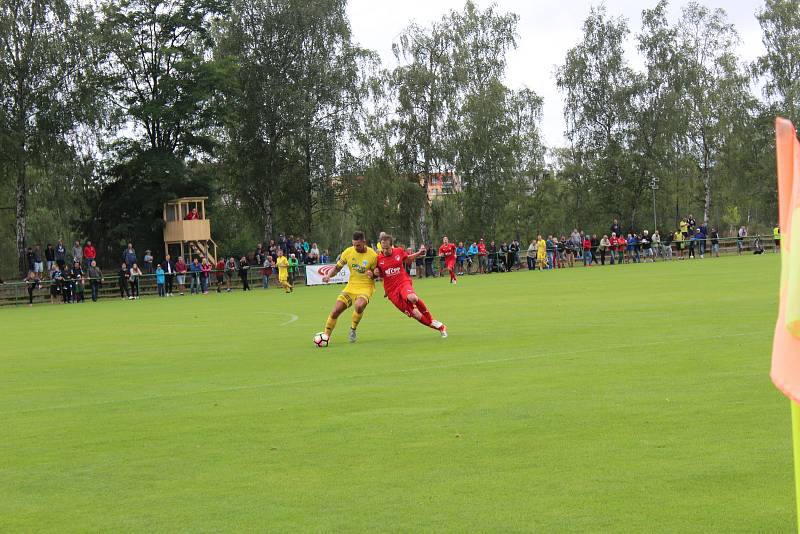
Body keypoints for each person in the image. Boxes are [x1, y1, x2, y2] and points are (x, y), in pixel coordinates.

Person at [374, 234, 447, 337]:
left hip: (403, 282)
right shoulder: (378, 258)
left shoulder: (398, 251)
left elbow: (407, 259)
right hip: (391, 291)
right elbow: (376, 274)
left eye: (387, 248)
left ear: (392, 246)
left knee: (412, 297)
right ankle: (440, 327)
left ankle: (431, 319)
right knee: (416, 314)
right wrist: (374, 273)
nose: (384, 251)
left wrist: (418, 253)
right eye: (383, 248)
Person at [320, 231, 378, 344]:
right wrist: (328, 276)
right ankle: (325, 337)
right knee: (336, 310)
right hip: (351, 286)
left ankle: (353, 329)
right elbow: (337, 268)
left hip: (366, 287)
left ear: (364, 242)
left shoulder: (373, 255)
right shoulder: (348, 252)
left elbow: (377, 273)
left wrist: (374, 274)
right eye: (354, 245)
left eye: (358, 245)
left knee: (359, 306)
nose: (355, 247)